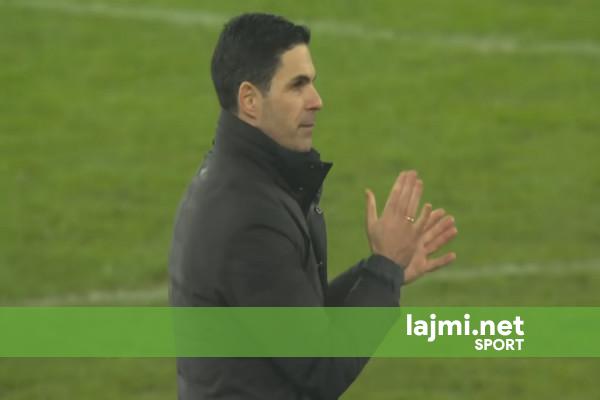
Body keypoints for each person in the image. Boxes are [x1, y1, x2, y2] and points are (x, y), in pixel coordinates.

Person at [168, 12, 458, 400]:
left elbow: (297, 317)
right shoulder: (249, 216)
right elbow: (322, 367)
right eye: (297, 85)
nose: (317, 101)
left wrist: (381, 270)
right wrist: (385, 268)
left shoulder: (242, 179)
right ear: (250, 100)